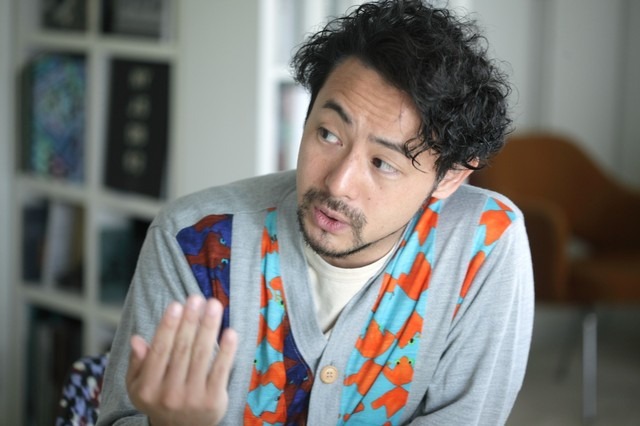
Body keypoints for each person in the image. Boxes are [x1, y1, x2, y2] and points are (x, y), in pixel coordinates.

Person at [97, 1, 534, 425]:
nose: (338, 184)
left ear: (449, 178)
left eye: (382, 163)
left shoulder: (484, 243)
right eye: (328, 135)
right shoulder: (195, 240)